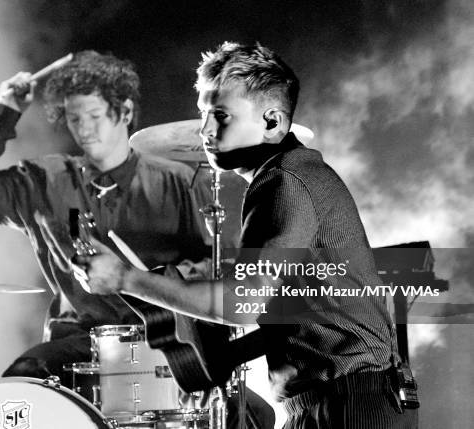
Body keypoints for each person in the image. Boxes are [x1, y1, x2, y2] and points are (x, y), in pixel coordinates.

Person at [83, 42, 419, 429]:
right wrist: (217, 361)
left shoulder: (284, 181)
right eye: (203, 114)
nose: (205, 130)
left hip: (348, 404)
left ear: (273, 122)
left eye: (221, 115)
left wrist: (125, 279)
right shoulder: (292, 174)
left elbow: (243, 301)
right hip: (343, 401)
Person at [0, 50, 275, 428]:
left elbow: (216, 267)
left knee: (256, 415)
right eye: (74, 119)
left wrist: (163, 281)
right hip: (79, 341)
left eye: (94, 117)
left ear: (123, 112)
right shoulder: (43, 182)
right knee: (20, 384)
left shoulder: (180, 182)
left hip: (169, 343)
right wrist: (6, 111)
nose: (85, 130)